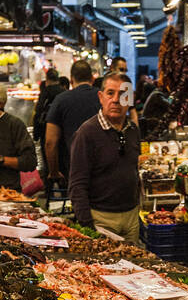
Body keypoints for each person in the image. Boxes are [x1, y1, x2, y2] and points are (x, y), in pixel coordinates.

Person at [69, 68, 141, 242]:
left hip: (131, 218)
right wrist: (87, 225)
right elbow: (77, 185)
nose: (116, 100)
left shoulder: (133, 130)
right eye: (110, 93)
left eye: (123, 94)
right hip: (101, 219)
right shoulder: (87, 133)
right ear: (101, 97)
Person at [45, 59, 100, 196]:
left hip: (73, 167)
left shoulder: (61, 100)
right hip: (104, 165)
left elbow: (50, 142)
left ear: (71, 80)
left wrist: (53, 171)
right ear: (92, 79)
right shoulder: (103, 97)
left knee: (78, 207)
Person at [33, 68, 62, 153]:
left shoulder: (45, 93)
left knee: (48, 154)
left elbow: (39, 111)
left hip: (46, 129)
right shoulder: (64, 92)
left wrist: (36, 134)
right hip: (62, 130)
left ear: (47, 79)